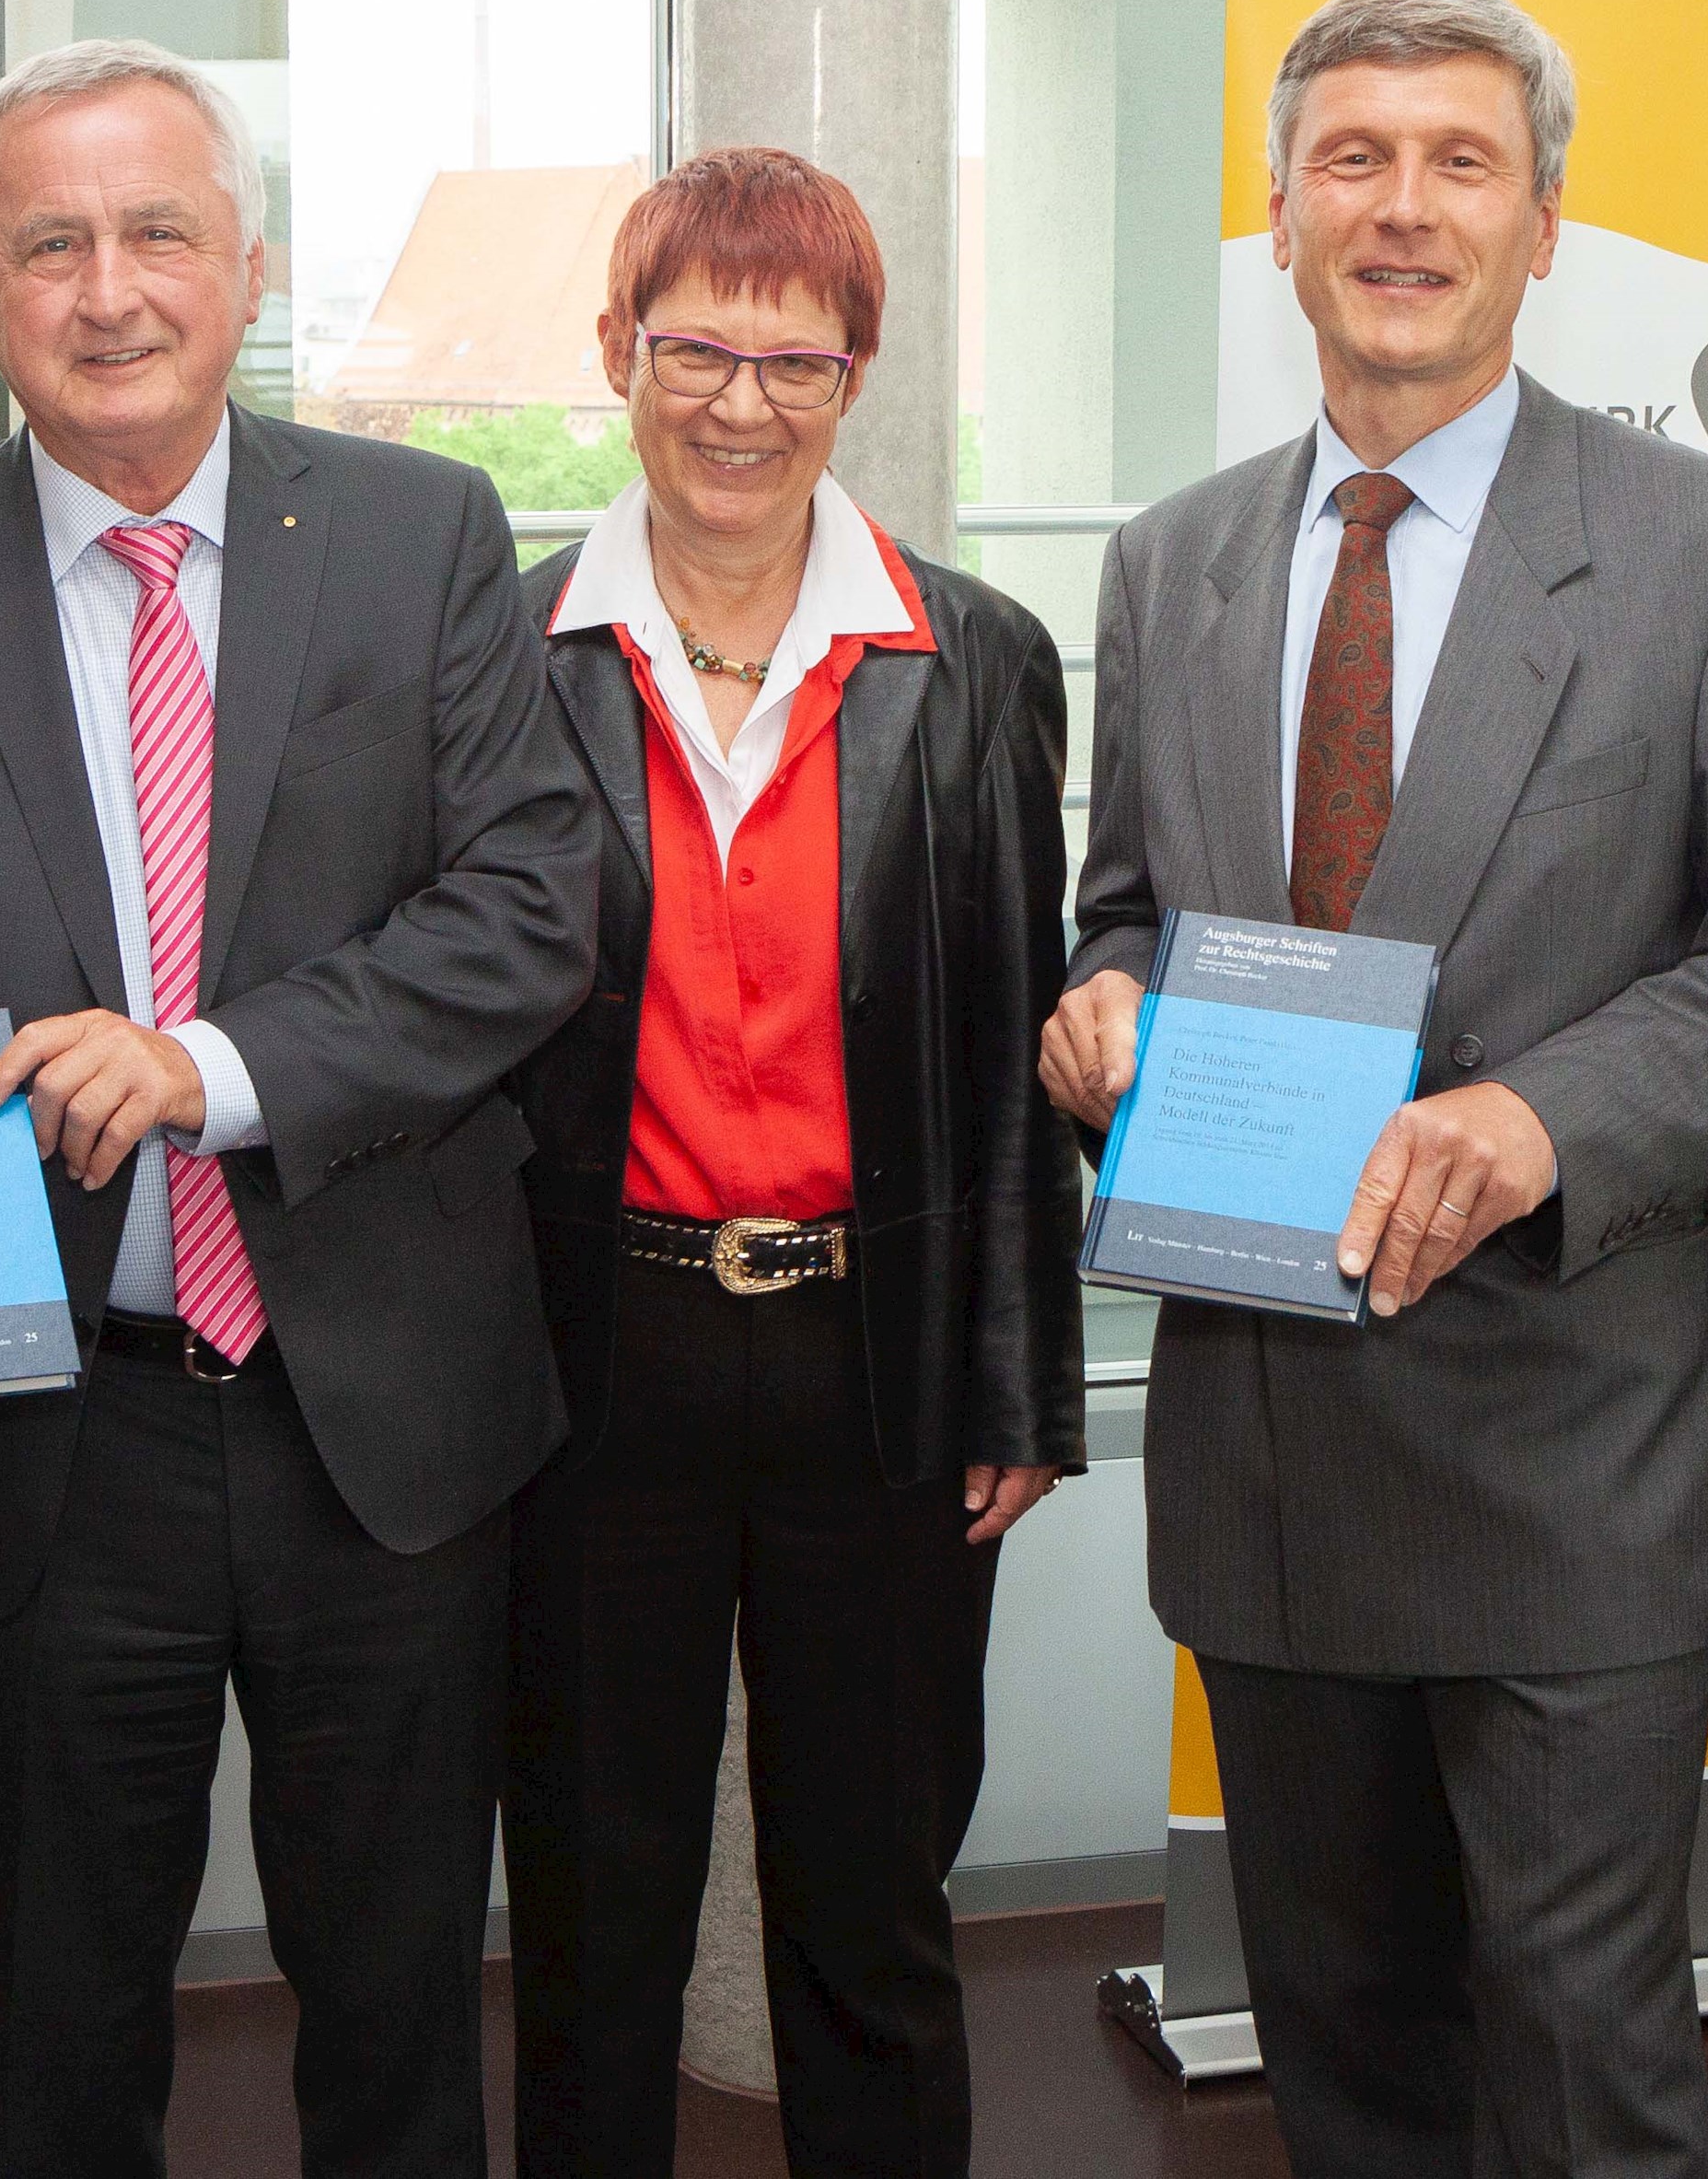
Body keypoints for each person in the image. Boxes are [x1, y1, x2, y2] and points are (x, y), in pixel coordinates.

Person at [1037, 0, 1708, 2179]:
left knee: (1587, 2075)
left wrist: (1542, 1118)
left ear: (1542, 224)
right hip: (1265, 1457)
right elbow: (1124, 901)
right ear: (1276, 213)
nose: (1398, 208)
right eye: (1351, 158)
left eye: (1456, 163)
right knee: (1345, 2069)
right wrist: (1100, 1011)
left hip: (1561, 1461)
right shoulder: (1177, 559)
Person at [0, 35, 599, 2179]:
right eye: (49, 242)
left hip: (382, 1424)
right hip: (47, 1426)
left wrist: (204, 1071)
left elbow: (528, 906)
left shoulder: (422, 533)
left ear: (249, 266)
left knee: (402, 2006)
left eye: (156, 232)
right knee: (59, 2016)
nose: (106, 286)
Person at [501, 147, 1084, 2179]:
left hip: (884, 1365)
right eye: (693, 349)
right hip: (593, 1369)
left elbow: (1023, 1034)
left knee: (870, 1911)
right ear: (612, 354)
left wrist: (1021, 1374)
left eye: (794, 358)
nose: (739, 403)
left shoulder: (976, 656)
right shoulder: (496, 654)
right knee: (591, 1909)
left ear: (856, 378)